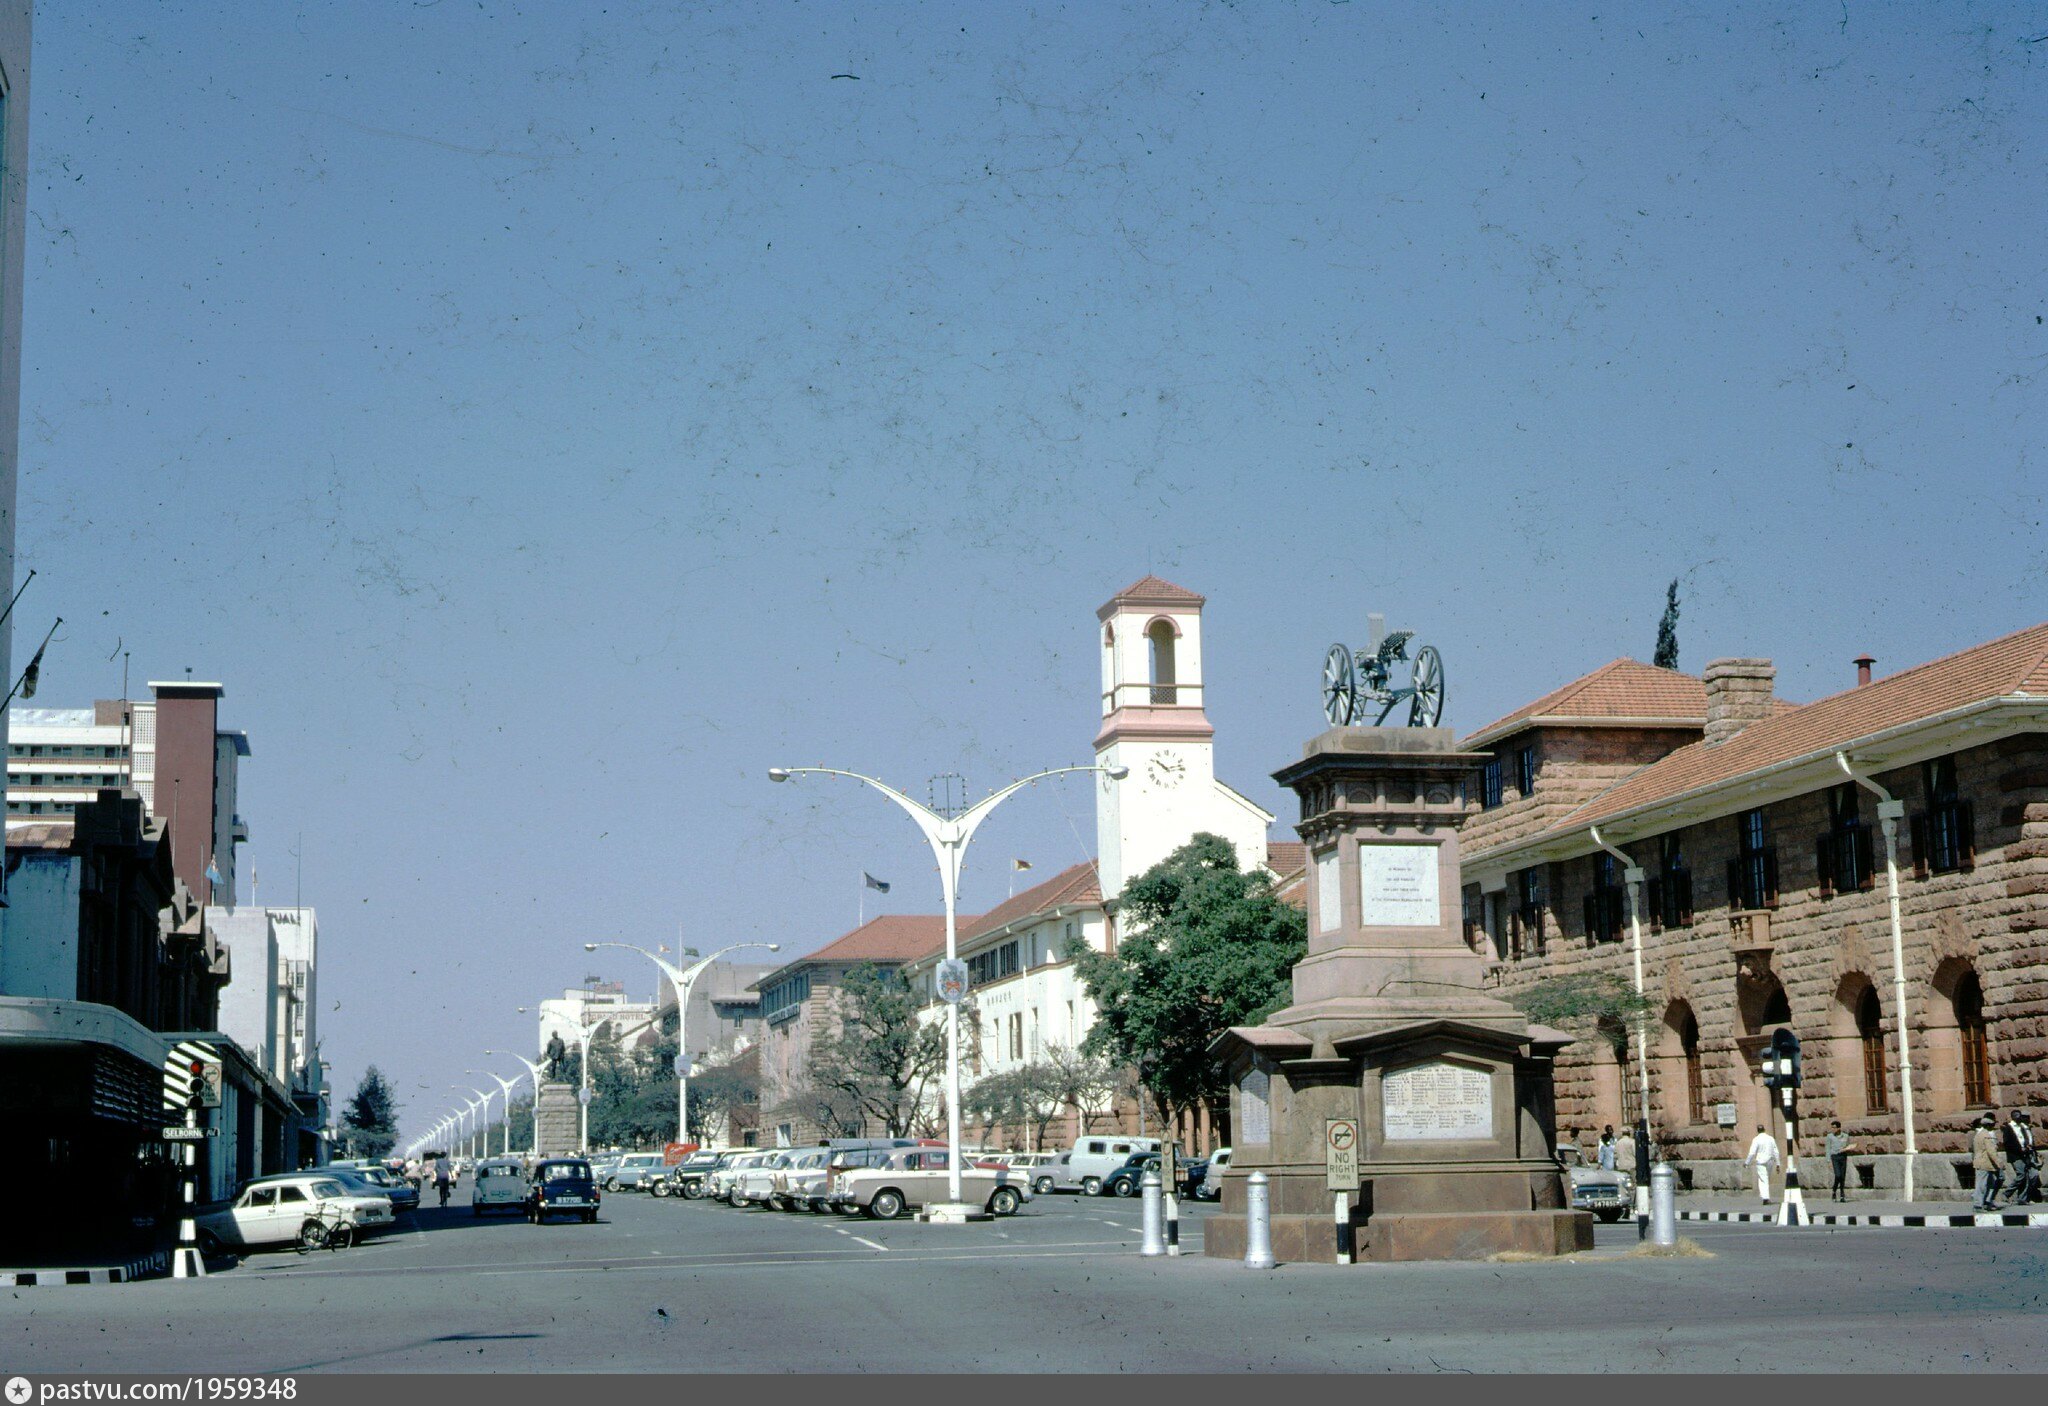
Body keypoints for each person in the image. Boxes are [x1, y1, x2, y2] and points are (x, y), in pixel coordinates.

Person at [2000, 1111, 2037, 1206]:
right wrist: (2020, 1149)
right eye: (2019, 1116)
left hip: (2024, 1154)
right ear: (2014, 1117)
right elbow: (2007, 1144)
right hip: (2015, 1156)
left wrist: (2027, 1146)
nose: (2021, 1118)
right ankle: (2006, 1193)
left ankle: (2022, 1198)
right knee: (2021, 1175)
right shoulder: (2008, 1128)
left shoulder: (2021, 1127)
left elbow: (2023, 1139)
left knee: (2027, 1176)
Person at [1971, 1113, 2006, 1212]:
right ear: (1987, 1125)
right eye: (1991, 1125)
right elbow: (1991, 1151)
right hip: (1984, 1163)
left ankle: (1986, 1202)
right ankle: (1978, 1205)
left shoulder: (1979, 1134)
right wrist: (1999, 1163)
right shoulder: (1986, 1135)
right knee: (1982, 1185)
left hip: (1982, 1162)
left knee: (1989, 1184)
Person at [1743, 1124, 1780, 1202]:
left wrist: (1747, 1162)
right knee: (1766, 1178)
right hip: (1770, 1161)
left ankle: (1765, 1197)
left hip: (1760, 1161)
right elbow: (1776, 1151)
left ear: (1757, 1131)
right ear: (1764, 1129)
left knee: (1763, 1179)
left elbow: (1752, 1152)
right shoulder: (1770, 1138)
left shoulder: (1756, 1139)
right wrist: (1778, 1163)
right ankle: (1765, 1196)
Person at [1823, 1121, 1855, 1202]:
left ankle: (1842, 1194)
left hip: (1843, 1157)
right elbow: (1827, 1148)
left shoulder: (1845, 1136)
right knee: (1838, 1175)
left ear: (1839, 1128)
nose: (1832, 1129)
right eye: (1832, 1127)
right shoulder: (1829, 1136)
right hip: (1835, 1157)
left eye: (1834, 1127)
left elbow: (1848, 1146)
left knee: (1842, 1176)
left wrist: (1848, 1148)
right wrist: (1828, 1160)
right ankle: (1834, 1190)